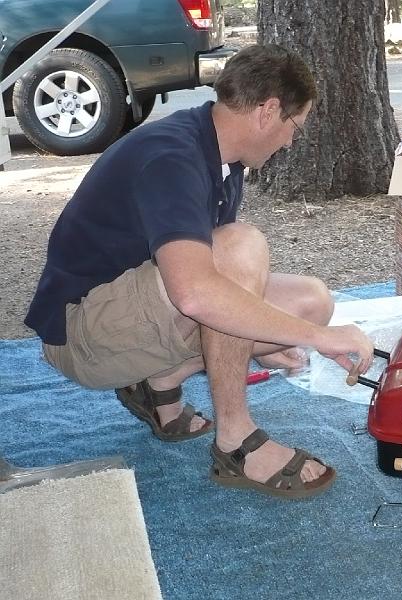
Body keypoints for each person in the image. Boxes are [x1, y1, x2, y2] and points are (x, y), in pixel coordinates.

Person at [24, 44, 374, 499]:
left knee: (312, 302)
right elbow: (196, 294)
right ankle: (236, 440)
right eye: (295, 127)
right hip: (81, 334)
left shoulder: (219, 154)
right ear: (268, 111)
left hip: (127, 315)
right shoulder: (171, 156)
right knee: (240, 247)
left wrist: (268, 343)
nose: (290, 142)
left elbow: (209, 292)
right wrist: (321, 340)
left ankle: (157, 384)